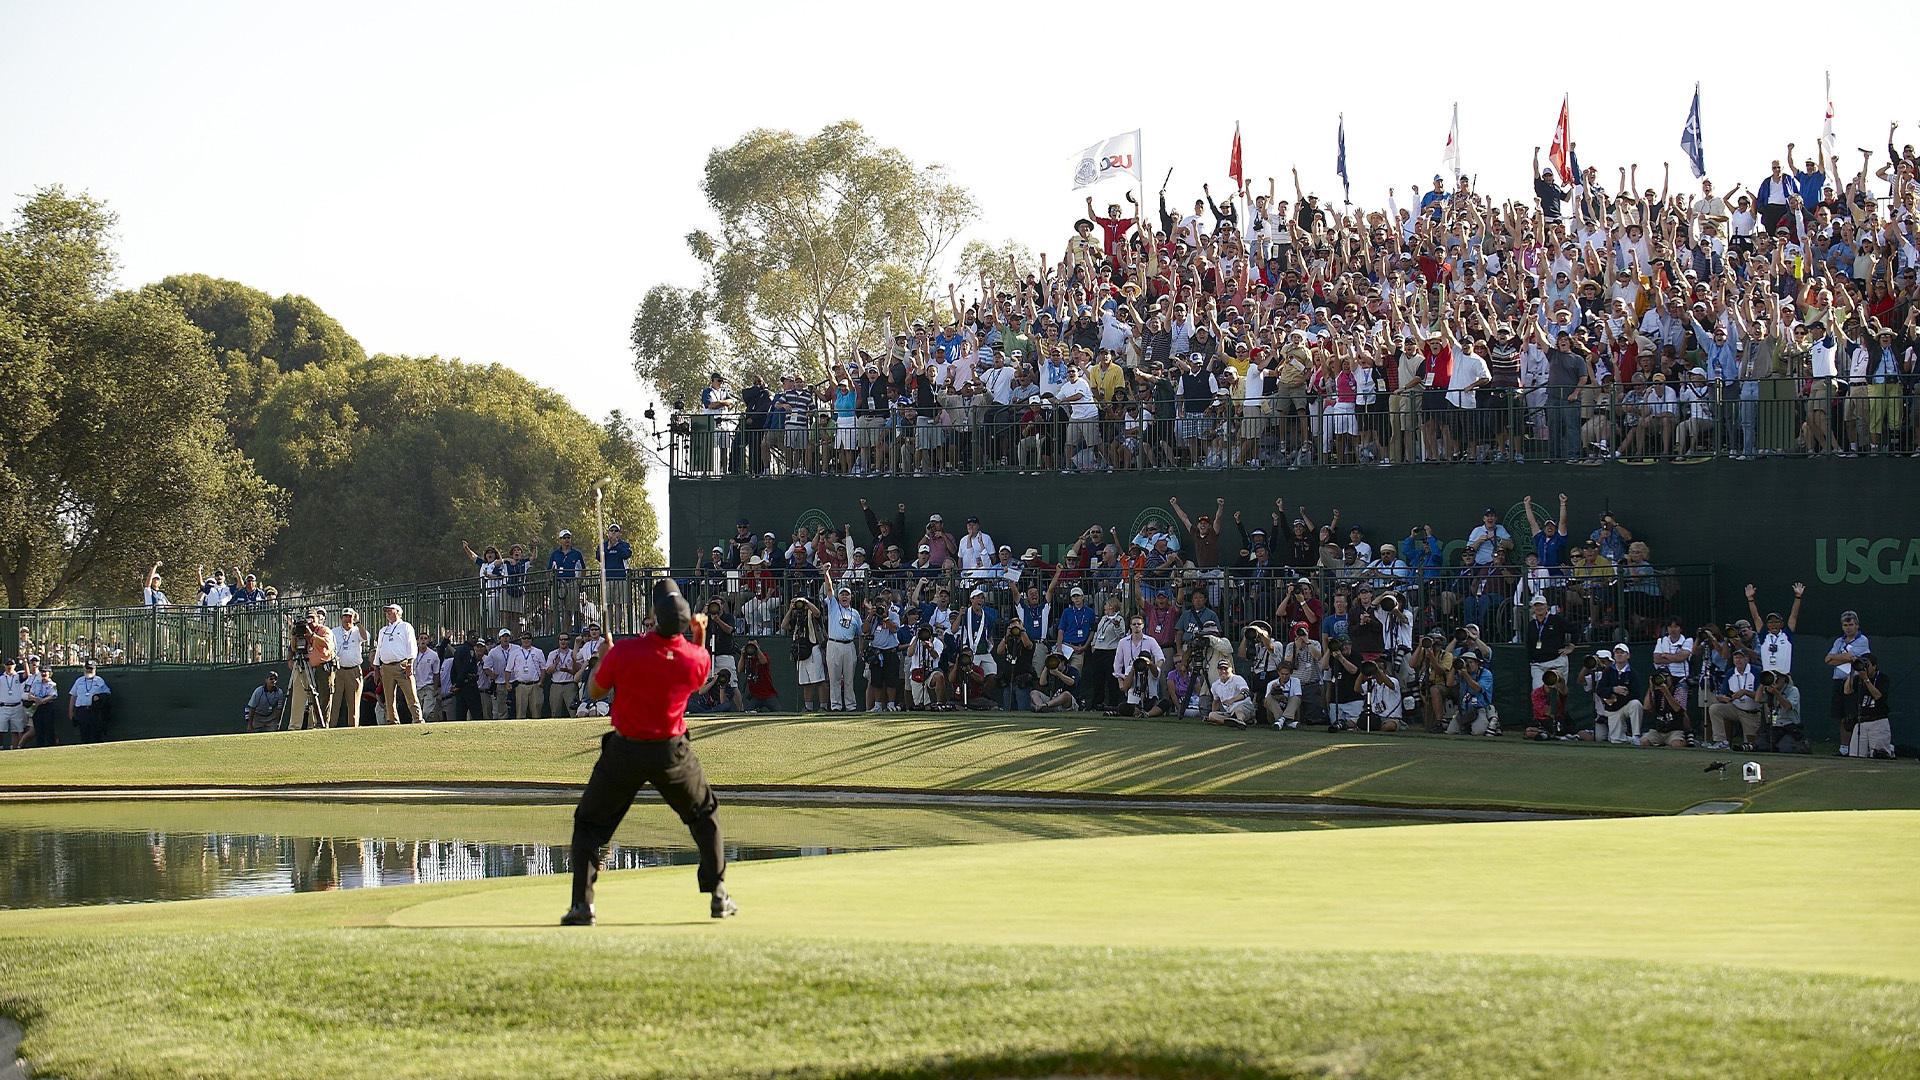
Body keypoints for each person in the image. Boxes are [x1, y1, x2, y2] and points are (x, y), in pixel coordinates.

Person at [562, 577, 734, 925]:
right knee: (704, 815)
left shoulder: (625, 651)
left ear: (654, 617)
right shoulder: (693, 657)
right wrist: (699, 635)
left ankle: (583, 904)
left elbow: (595, 692)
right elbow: (700, 678)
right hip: (671, 751)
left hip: (625, 750)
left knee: (590, 824)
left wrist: (602, 658)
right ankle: (717, 895)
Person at [1824, 609, 1871, 755]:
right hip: (1839, 680)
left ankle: (1857, 747)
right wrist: (1842, 657)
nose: (1848, 627)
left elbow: (1851, 656)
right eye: (1845, 625)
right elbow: (1828, 660)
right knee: (1841, 715)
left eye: (1851, 624)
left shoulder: (1863, 640)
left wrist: (1837, 657)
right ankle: (1844, 748)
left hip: (1855, 681)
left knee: (1853, 714)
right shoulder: (1839, 641)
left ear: (1857, 625)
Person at [373, 603, 425, 725]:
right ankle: (392, 720)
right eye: (386, 611)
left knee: (410, 693)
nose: (387, 613)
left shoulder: (405, 626)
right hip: (386, 667)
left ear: (398, 612)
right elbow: (379, 649)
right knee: (389, 697)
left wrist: (410, 663)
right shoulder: (383, 630)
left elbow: (411, 645)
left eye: (390, 611)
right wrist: (376, 667)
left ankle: (418, 718)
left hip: (402, 665)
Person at [1844, 653, 1893, 759]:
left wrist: (1866, 680)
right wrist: (1852, 671)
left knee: (1879, 755)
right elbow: (1847, 691)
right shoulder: (1858, 679)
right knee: (1855, 755)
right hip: (1861, 722)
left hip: (1878, 721)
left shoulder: (1882, 678)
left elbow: (1878, 696)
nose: (1865, 668)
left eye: (1867, 665)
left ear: (1875, 666)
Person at [328, 608, 368, 729]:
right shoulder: (334, 632)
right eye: (345, 617)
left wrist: (358, 622)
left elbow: (366, 637)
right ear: (341, 618)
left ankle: (353, 728)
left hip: (353, 671)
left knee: (354, 703)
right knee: (334, 701)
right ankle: (330, 726)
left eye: (350, 617)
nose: (347, 619)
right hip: (338, 671)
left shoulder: (357, 631)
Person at [68, 661, 111, 743]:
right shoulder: (79, 681)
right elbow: (73, 696)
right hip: (81, 710)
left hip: (94, 711)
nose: (88, 670)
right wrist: (70, 711)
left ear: (94, 669)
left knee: (95, 734)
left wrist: (99, 697)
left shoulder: (99, 681)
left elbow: (108, 693)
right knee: (84, 734)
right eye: (87, 668)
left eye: (91, 668)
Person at [1205, 658, 1254, 728]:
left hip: (1244, 706)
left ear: (1231, 669)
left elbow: (1246, 692)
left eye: (1226, 669)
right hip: (1230, 712)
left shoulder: (1237, 679)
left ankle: (1240, 720)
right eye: (1221, 669)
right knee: (1211, 715)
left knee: (1238, 710)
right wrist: (1213, 714)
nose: (1223, 671)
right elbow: (1215, 701)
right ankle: (1233, 722)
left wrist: (1232, 700)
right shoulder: (1215, 685)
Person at [24, 657, 58, 748]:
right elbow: (30, 695)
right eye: (42, 672)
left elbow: (53, 695)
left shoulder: (52, 684)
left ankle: (51, 747)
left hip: (47, 707)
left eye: (45, 672)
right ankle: (39, 747)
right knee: (38, 729)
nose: (43, 674)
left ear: (49, 673)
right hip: (36, 707)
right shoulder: (36, 683)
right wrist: (36, 700)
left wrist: (42, 700)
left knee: (49, 728)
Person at [0, 659, 27, 749]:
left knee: (16, 730)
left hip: (16, 706)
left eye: (11, 664)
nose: (9, 666)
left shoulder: (18, 676)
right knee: (1, 729)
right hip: (4, 706)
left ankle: (15, 748)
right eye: (7, 664)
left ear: (14, 666)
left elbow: (26, 675)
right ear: (4, 666)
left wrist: (25, 662)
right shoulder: (1, 677)